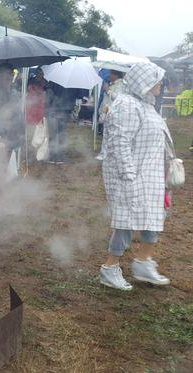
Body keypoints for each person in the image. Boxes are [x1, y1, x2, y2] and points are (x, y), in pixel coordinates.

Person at [99, 62, 172, 291]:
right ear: (145, 82)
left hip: (151, 176)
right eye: (156, 79)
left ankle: (143, 262)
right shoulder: (127, 104)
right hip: (132, 175)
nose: (160, 83)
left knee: (153, 218)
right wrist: (128, 176)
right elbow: (119, 142)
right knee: (127, 222)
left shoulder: (146, 105)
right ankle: (109, 268)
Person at [0, 64, 24, 154]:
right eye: (6, 74)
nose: (9, 77)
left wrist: (18, 138)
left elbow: (19, 118)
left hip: (11, 140)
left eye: (11, 74)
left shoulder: (13, 93)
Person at [44, 81, 77, 164]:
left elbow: (49, 96)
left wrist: (46, 109)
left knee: (53, 135)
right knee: (62, 134)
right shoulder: (73, 81)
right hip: (65, 111)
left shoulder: (54, 80)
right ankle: (60, 157)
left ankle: (52, 157)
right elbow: (76, 96)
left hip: (53, 111)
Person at [96, 70, 126, 160]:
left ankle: (106, 154)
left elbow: (118, 98)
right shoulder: (113, 83)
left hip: (113, 113)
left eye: (111, 73)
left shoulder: (121, 85)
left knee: (110, 135)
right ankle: (105, 153)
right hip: (108, 112)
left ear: (116, 75)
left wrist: (108, 91)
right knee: (107, 134)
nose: (109, 75)